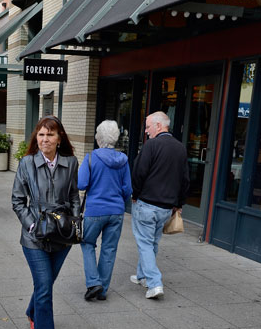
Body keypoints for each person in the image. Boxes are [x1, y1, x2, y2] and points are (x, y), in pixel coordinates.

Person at [12, 115, 80, 329]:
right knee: (45, 288)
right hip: (35, 238)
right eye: (41, 134)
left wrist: (74, 220)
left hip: (62, 236)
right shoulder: (26, 163)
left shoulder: (71, 163)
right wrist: (32, 225)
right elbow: (17, 201)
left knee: (46, 284)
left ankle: (32, 312)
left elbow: (73, 195)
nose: (45, 139)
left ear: (59, 138)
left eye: (50, 134)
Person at [131, 111, 190, 299]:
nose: (146, 131)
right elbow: (185, 180)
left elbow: (139, 172)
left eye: (148, 127)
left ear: (158, 126)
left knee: (145, 244)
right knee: (152, 243)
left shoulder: (152, 145)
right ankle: (143, 276)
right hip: (166, 208)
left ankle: (154, 283)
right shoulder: (180, 148)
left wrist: (135, 194)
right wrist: (179, 204)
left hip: (147, 204)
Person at [78, 120, 132, 301]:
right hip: (116, 211)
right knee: (109, 249)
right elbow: (127, 189)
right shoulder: (123, 160)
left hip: (95, 211)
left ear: (98, 137)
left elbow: (81, 183)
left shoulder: (91, 158)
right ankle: (102, 290)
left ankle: (93, 282)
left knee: (87, 244)